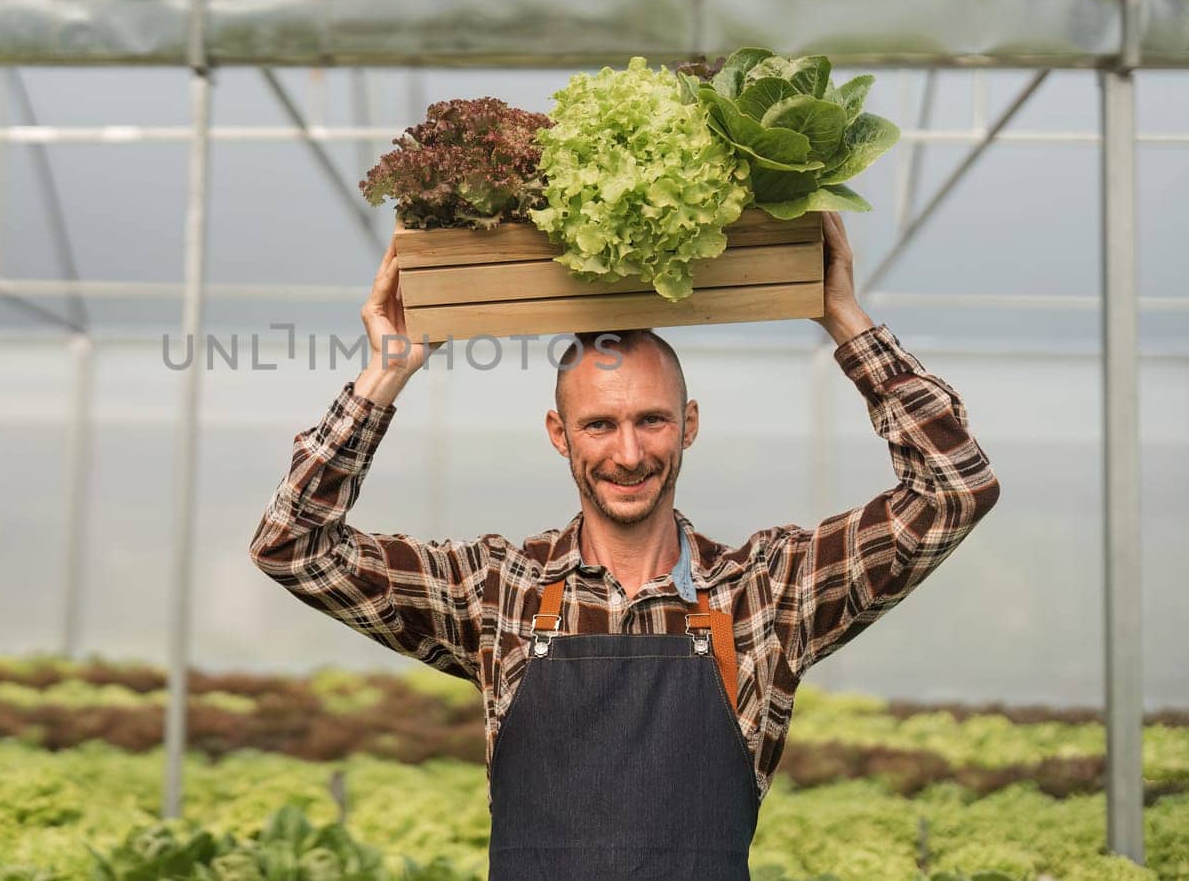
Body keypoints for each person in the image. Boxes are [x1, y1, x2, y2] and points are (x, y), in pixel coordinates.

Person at [249, 211, 1001, 880]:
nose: (629, 451)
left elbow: (953, 488)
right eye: (600, 425)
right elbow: (293, 545)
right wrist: (386, 372)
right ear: (560, 435)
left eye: (652, 419)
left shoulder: (766, 592)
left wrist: (847, 321)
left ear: (691, 423)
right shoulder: (498, 590)